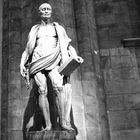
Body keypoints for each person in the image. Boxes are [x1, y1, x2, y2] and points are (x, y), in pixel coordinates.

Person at [20, 3, 83, 131]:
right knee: (42, 90)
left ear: (51, 12)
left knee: (59, 88)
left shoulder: (57, 28)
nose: (46, 11)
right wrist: (22, 64)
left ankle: (64, 122)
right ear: (39, 12)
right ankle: (47, 124)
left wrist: (74, 55)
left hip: (54, 58)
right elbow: (27, 50)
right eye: (43, 9)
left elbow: (66, 44)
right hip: (37, 60)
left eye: (48, 9)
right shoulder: (35, 30)